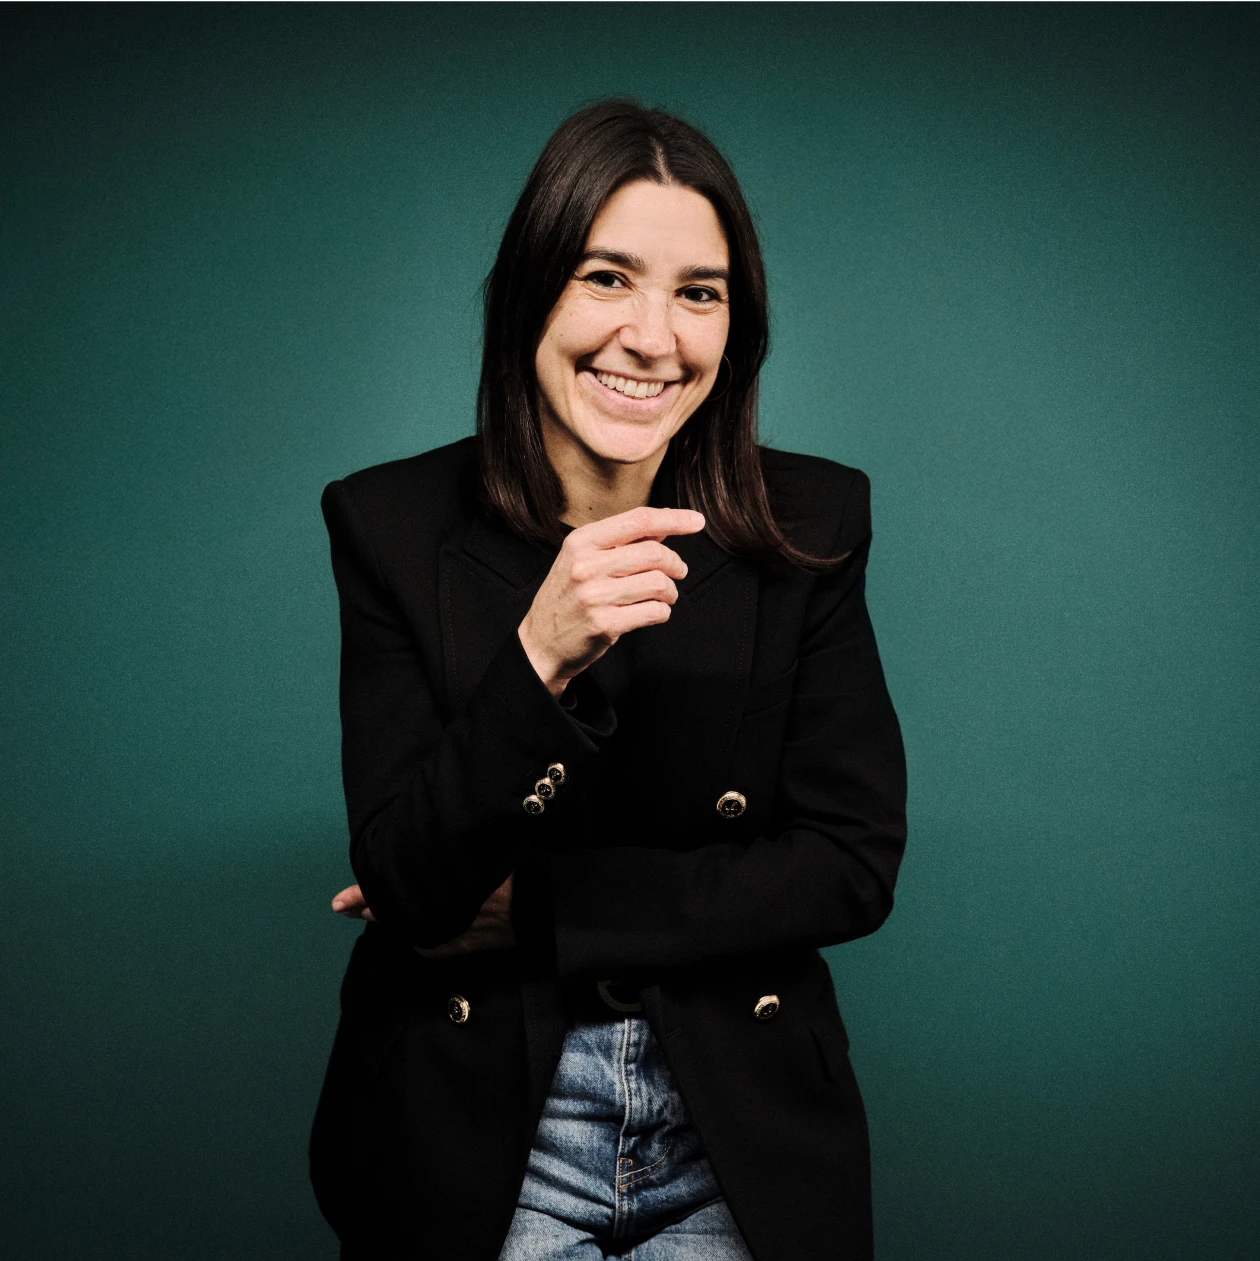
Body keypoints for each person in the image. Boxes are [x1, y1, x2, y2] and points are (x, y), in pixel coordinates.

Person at [310, 98, 907, 1261]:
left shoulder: (812, 519)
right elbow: (410, 888)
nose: (653, 337)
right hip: (481, 1124)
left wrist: (543, 910)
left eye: (699, 293)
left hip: (733, 1122)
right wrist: (538, 656)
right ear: (531, 293)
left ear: (737, 323)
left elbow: (849, 864)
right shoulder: (389, 522)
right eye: (606, 277)